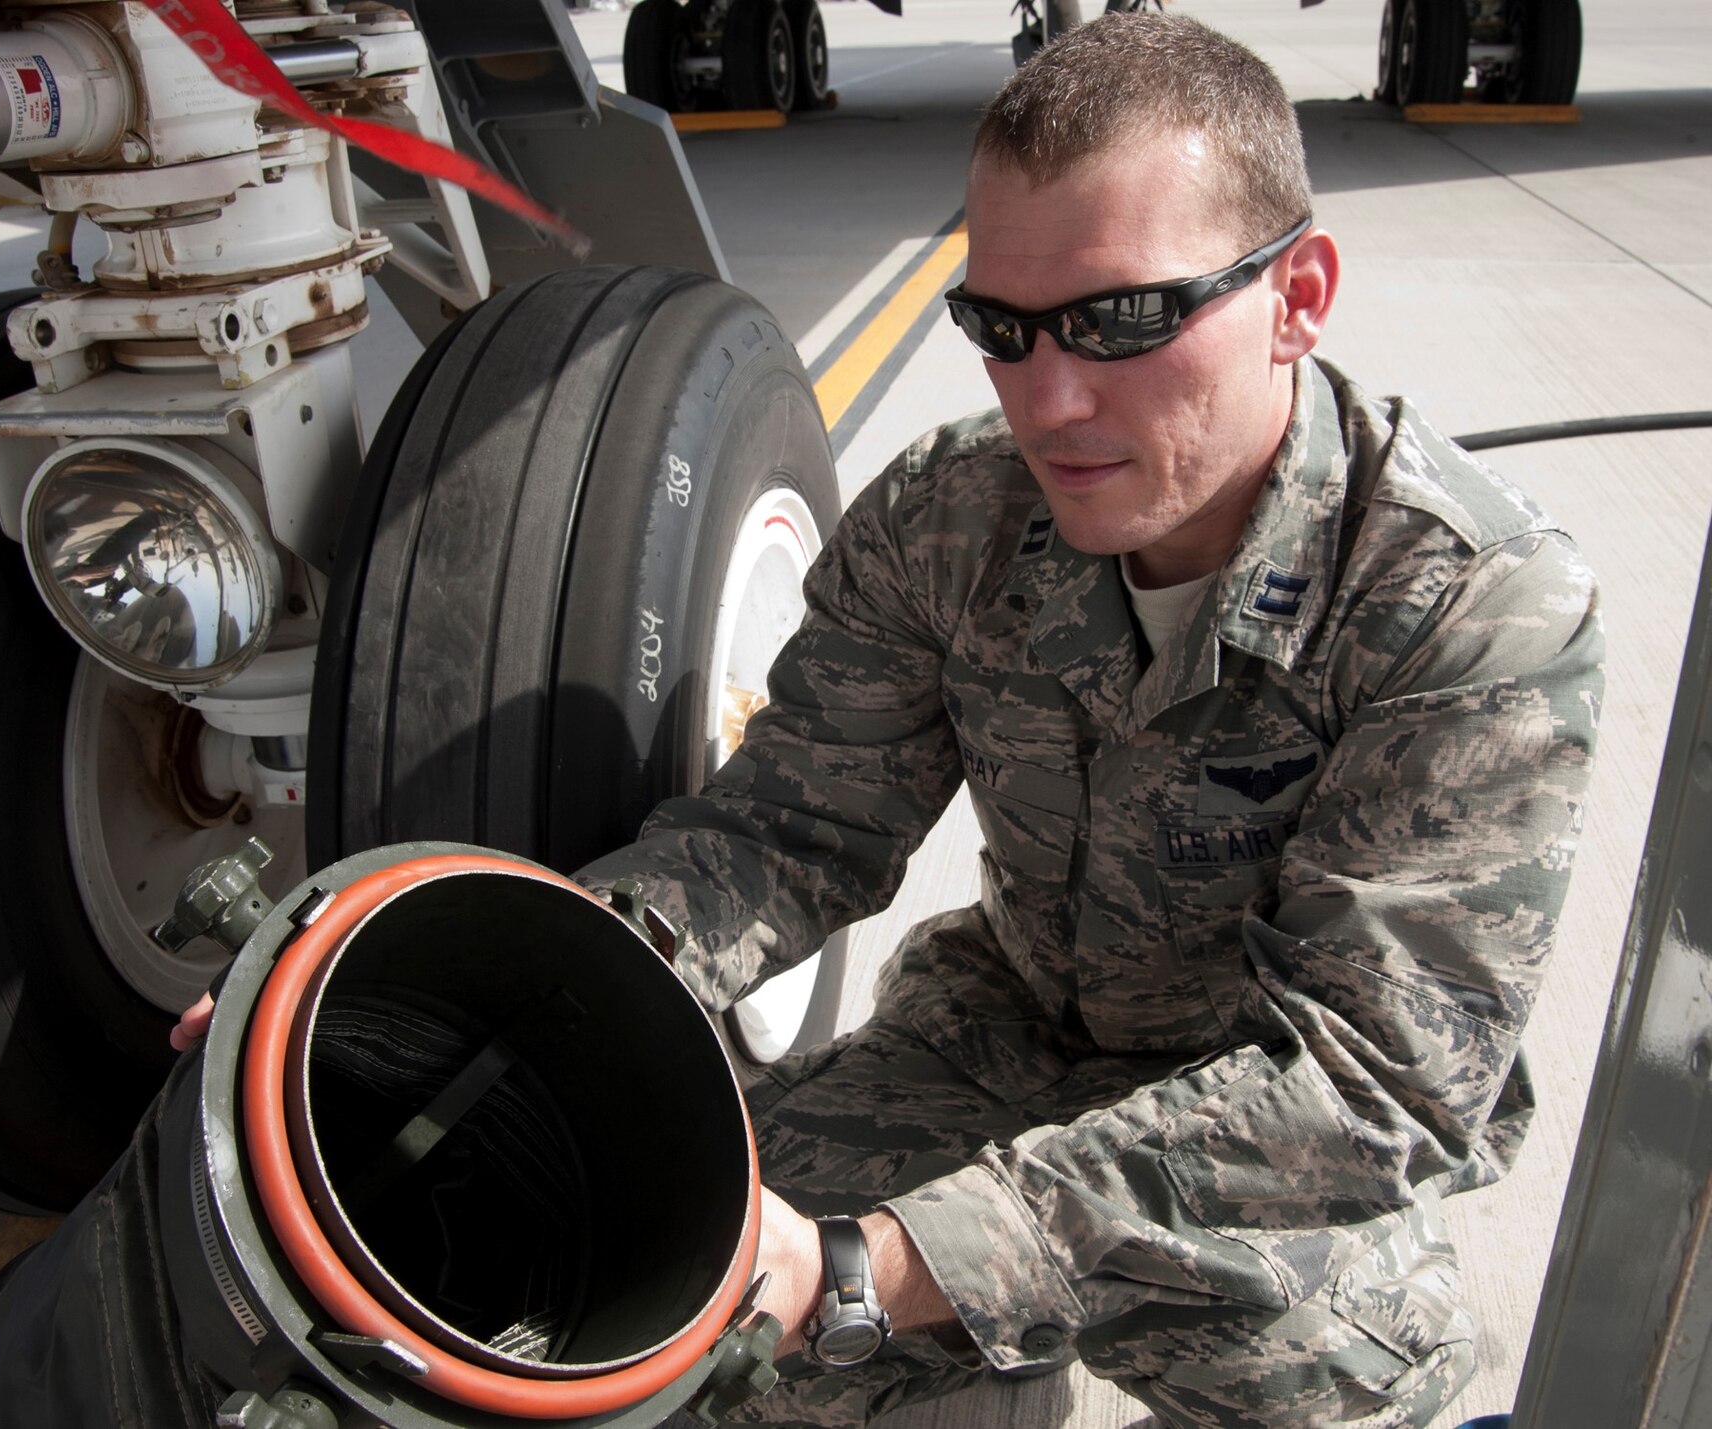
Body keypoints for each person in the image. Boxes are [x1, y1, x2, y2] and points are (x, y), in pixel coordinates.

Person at [575, 13, 1605, 1428]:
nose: (1047, 400)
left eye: (1123, 321)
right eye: (1000, 329)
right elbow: (785, 833)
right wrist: (508, 982)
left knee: (1335, 1384)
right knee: (640, 1276)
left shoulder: (1471, 605)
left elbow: (1371, 1084)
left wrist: (882, 1265)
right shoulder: (952, 517)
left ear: (1299, 294)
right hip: (1003, 1038)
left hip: (1273, 1145)